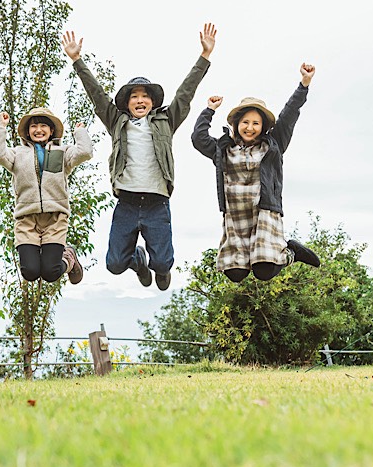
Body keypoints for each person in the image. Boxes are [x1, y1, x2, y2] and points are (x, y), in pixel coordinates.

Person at [62, 24, 216, 291]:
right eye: (134, 96)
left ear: (153, 102)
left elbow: (185, 94)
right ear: (127, 103)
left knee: (164, 263)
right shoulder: (117, 122)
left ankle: (160, 268)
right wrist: (77, 60)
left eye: (145, 96)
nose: (140, 100)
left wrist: (204, 56)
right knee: (115, 264)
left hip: (157, 202)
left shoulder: (166, 120)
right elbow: (97, 96)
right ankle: (138, 261)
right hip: (127, 202)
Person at [191, 64, 321, 282]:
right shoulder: (223, 149)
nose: (250, 127)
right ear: (236, 124)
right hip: (236, 217)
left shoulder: (273, 145)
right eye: (245, 122)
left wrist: (304, 84)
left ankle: (291, 252)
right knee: (235, 274)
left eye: (255, 123)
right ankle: (254, 259)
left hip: (264, 213)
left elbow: (289, 115)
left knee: (264, 271)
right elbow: (198, 138)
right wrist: (209, 110)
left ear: (263, 127)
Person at [0, 108, 93, 284]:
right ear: (27, 131)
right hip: (26, 219)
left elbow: (85, 153)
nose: (38, 130)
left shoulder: (63, 152)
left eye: (43, 125)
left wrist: (80, 132)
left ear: (51, 130)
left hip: (55, 218)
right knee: (30, 272)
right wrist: (1, 127)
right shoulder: (17, 153)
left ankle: (69, 258)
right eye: (34, 126)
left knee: (50, 272)